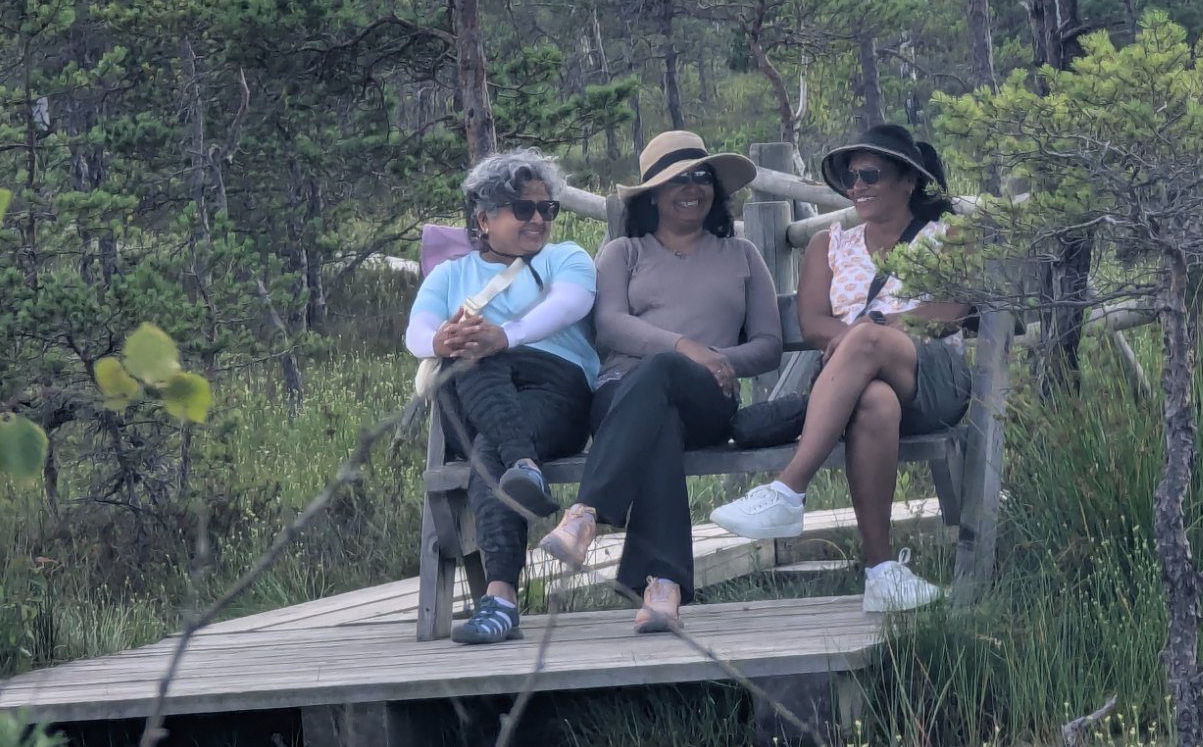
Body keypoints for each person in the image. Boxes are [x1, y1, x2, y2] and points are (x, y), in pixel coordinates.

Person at [709, 124, 971, 613]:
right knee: (873, 399)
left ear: (908, 181)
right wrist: (860, 345)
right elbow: (812, 325)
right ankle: (883, 574)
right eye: (852, 178)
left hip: (933, 377)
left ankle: (789, 489)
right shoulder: (828, 246)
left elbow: (948, 312)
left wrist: (877, 328)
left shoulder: (949, 235)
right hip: (857, 389)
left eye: (871, 174)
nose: (858, 187)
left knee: (869, 337)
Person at [537, 131, 782, 634]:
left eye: (701, 177)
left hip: (707, 401)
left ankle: (587, 513)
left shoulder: (742, 255)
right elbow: (610, 326)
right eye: (676, 180)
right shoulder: (622, 252)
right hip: (620, 398)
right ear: (652, 194)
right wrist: (684, 348)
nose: (692, 187)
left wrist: (712, 361)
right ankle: (663, 589)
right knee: (659, 413)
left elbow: (768, 345)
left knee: (665, 375)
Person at [405, 150, 598, 645]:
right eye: (523, 209)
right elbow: (418, 329)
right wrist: (440, 342)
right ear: (484, 218)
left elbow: (569, 304)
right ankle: (524, 466)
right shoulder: (449, 276)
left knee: (492, 452)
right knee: (468, 358)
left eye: (547, 209)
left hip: (554, 390)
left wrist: (503, 336)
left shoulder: (566, 258)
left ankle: (501, 600)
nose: (539, 219)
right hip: (479, 392)